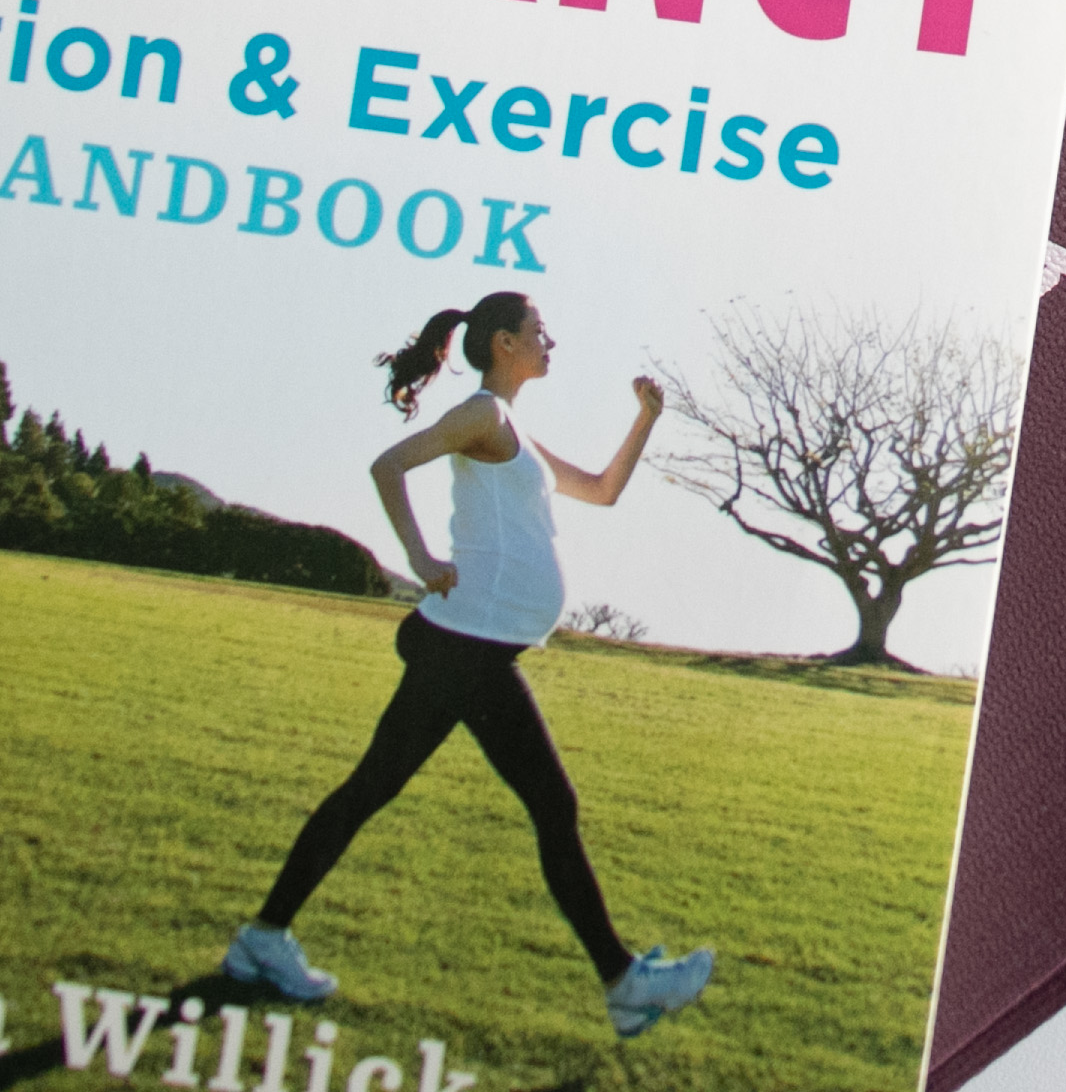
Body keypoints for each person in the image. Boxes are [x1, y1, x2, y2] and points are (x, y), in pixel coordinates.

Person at [223, 292, 715, 1040]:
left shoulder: (515, 429)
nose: (551, 341)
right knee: (546, 805)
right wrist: (420, 558)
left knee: (377, 790)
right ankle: (624, 983)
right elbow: (388, 465)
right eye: (538, 332)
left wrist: (645, 419)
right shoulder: (481, 416)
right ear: (502, 345)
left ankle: (262, 940)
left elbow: (603, 492)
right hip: (464, 648)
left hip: (474, 650)